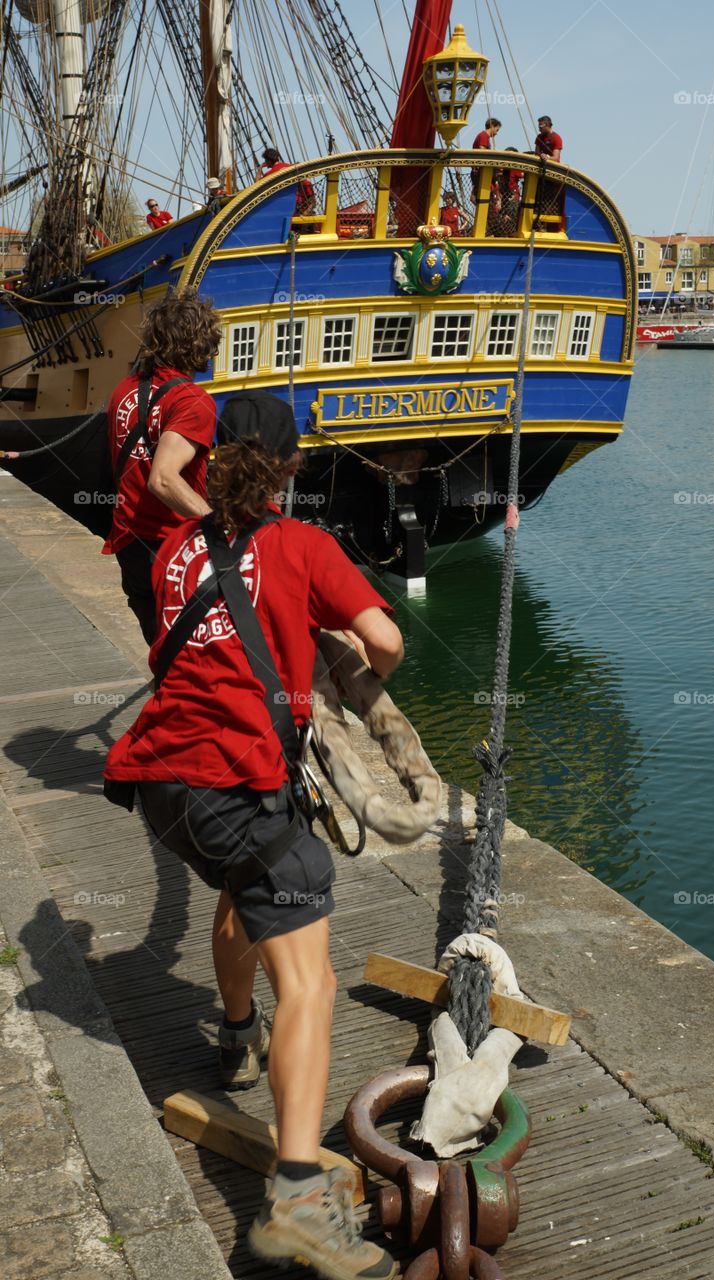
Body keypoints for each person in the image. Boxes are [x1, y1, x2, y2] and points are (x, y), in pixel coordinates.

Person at [104, 389, 403, 1280]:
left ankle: (236, 1032)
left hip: (162, 783)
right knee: (311, 981)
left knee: (248, 889)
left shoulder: (173, 552)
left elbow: (204, 642)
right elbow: (383, 638)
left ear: (210, 462)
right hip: (230, 785)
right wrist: (346, 666)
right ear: (291, 467)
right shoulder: (306, 546)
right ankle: (299, 1204)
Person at [102, 290, 222, 644]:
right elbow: (164, 480)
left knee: (163, 657)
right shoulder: (192, 400)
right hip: (173, 548)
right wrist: (220, 525)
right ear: (201, 343)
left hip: (130, 545)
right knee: (198, 661)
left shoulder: (123, 391)